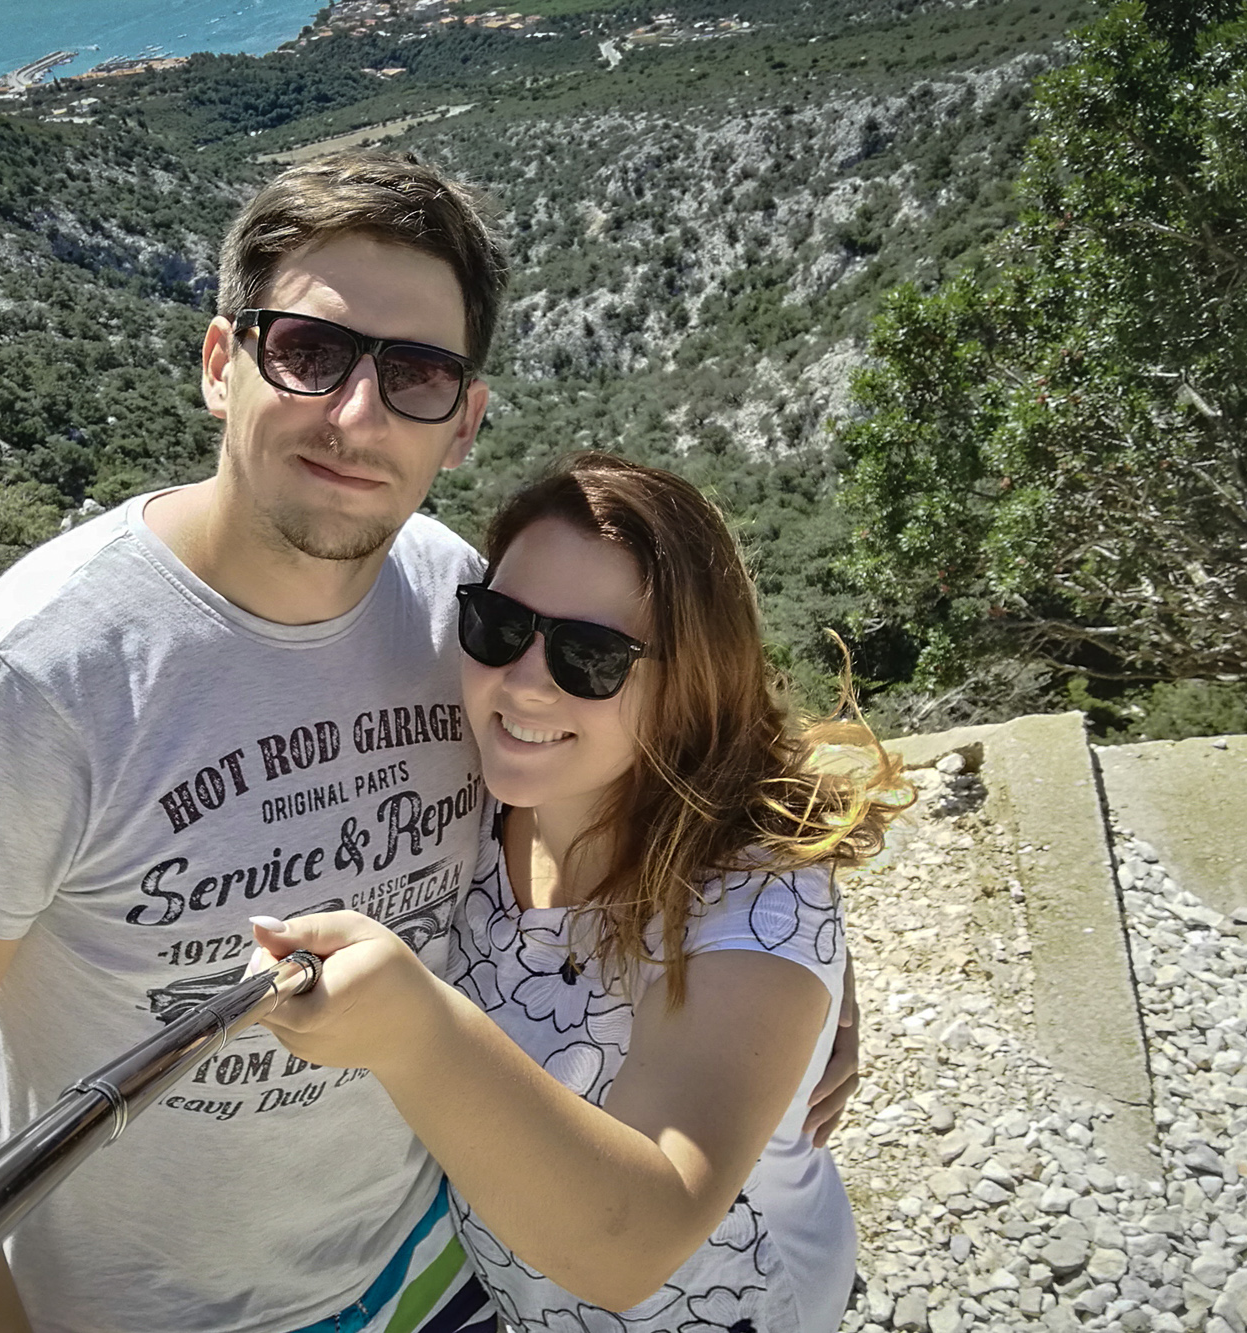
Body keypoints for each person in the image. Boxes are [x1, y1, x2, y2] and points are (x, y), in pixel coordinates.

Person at [0, 151, 862, 1333]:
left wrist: (797, 992)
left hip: (439, 1267)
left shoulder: (461, 606)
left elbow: (678, 739)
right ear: (220, 364)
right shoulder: (31, 681)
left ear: (462, 423)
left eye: (414, 374)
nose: (356, 415)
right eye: (308, 352)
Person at [248, 454, 913, 1333]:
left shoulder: (759, 900)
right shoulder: (483, 798)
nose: (525, 681)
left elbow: (633, 1246)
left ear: (690, 683)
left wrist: (414, 1030)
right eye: (499, 626)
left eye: (590, 657)